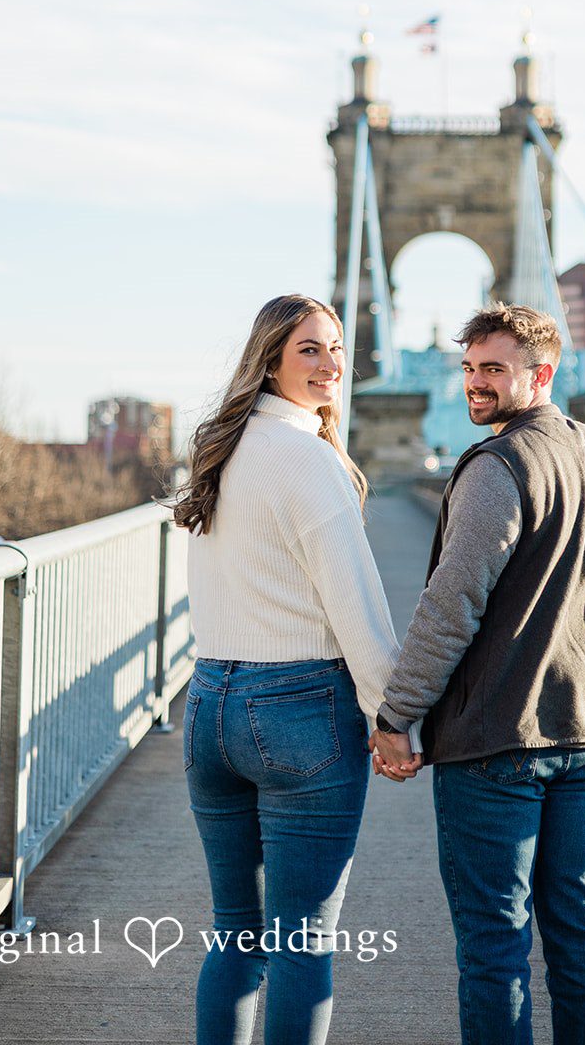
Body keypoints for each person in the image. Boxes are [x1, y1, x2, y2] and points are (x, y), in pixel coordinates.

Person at [370, 303, 585, 1045]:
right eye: (468, 368)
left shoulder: (497, 468)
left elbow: (449, 607)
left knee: (495, 950)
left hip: (498, 742)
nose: (474, 384)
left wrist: (396, 717)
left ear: (541, 374)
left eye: (493, 369)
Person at [175, 294, 421, 1045]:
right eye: (308, 349)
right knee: (300, 946)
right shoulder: (308, 460)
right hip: (297, 710)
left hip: (209, 705)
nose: (329, 364)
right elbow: (356, 610)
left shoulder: (223, 450)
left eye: (336, 347)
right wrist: (393, 722)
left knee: (236, 937)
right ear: (270, 360)